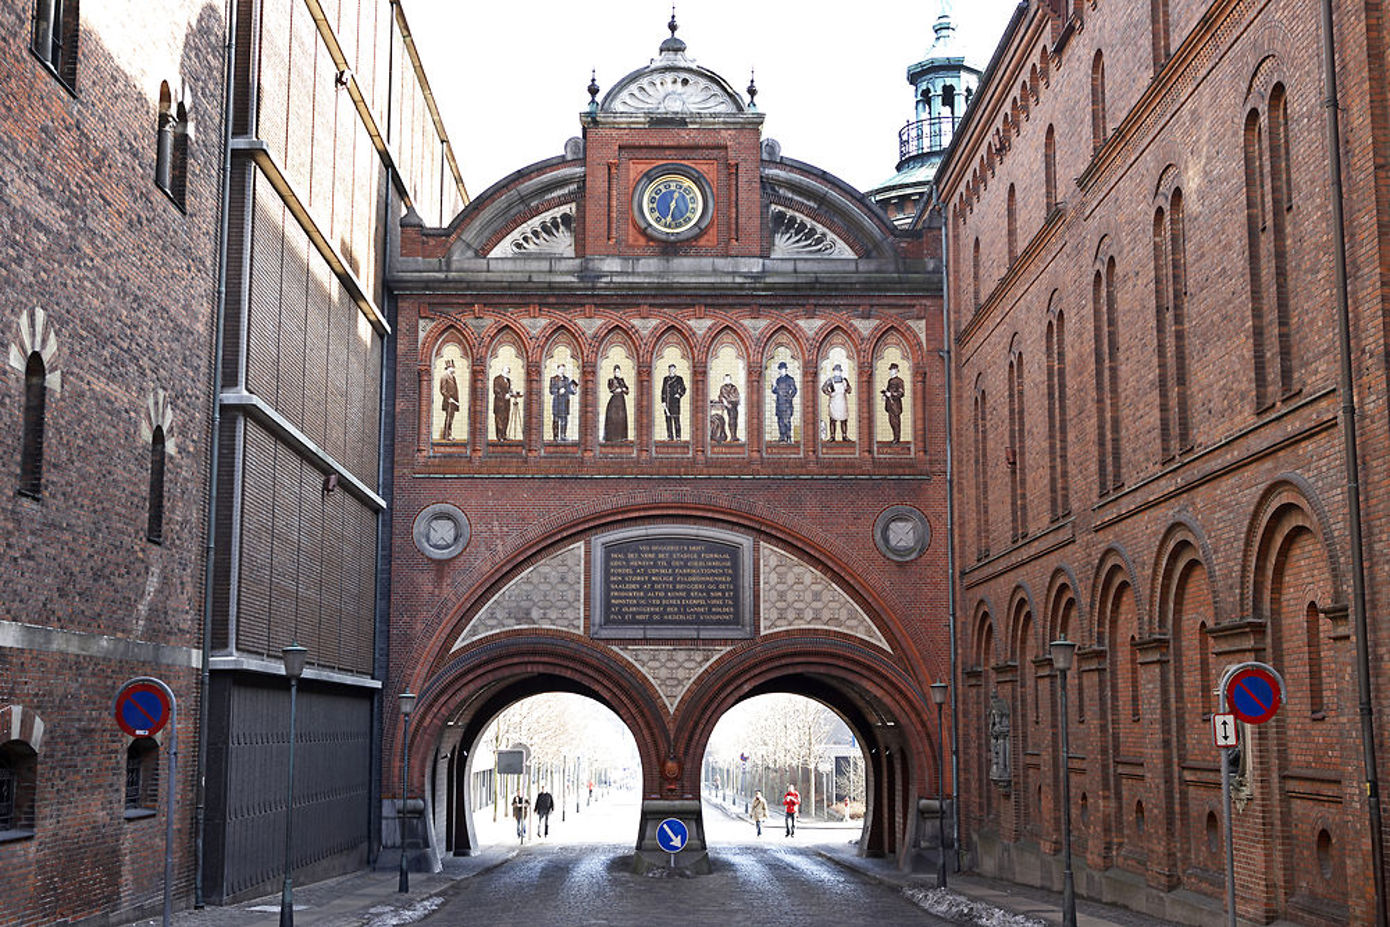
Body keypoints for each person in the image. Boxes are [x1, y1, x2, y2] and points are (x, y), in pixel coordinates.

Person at [820, 363, 852, 442]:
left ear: (841, 372)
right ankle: (832, 436)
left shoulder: (844, 380)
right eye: (836, 371)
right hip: (834, 402)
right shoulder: (830, 380)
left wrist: (847, 389)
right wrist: (829, 393)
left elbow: (849, 389)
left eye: (838, 371)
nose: (837, 372)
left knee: (844, 420)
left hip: (842, 402)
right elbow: (823, 388)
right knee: (833, 419)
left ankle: (844, 435)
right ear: (834, 372)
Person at [548, 363, 578, 441]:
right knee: (556, 419)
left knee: (564, 420)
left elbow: (569, 390)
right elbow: (551, 390)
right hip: (557, 402)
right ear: (558, 370)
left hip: (565, 402)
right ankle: (556, 436)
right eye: (561, 369)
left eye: (563, 369)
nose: (562, 371)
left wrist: (574, 390)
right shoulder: (553, 379)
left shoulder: (567, 379)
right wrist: (558, 391)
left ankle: (563, 435)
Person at [771, 361, 798, 443]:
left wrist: (789, 397)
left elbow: (794, 390)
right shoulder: (778, 380)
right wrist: (774, 386)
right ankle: (782, 437)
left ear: (786, 370)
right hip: (779, 404)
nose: (781, 371)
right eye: (780, 369)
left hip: (787, 405)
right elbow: (775, 391)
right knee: (780, 421)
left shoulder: (790, 379)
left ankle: (788, 437)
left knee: (787, 421)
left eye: (783, 369)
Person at [661, 364, 686, 440]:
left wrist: (679, 395)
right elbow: (663, 390)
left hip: (675, 402)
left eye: (673, 369)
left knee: (676, 419)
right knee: (668, 420)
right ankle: (670, 436)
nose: (671, 370)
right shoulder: (666, 379)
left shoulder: (679, 379)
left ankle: (678, 437)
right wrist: (663, 401)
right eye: (670, 369)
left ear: (675, 370)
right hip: (668, 401)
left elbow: (683, 388)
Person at [881, 362, 905, 444]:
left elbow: (901, 393)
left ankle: (897, 438)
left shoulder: (900, 381)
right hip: (889, 405)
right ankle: (894, 437)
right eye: (890, 370)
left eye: (892, 370)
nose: (890, 371)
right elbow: (888, 390)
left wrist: (891, 394)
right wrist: (885, 395)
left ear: (896, 370)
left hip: (896, 405)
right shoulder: (890, 380)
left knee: (896, 422)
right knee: (891, 422)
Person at [493, 365, 518, 441]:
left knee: (506, 418)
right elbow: (496, 390)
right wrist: (504, 395)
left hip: (507, 403)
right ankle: (499, 436)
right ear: (502, 371)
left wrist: (512, 393)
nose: (507, 373)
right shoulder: (497, 379)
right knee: (499, 419)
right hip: (499, 403)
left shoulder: (508, 380)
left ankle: (504, 435)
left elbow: (509, 390)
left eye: (508, 372)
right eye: (506, 371)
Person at [604, 365, 629, 442]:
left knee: (621, 418)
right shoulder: (611, 380)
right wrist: (622, 389)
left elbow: (627, 390)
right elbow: (612, 389)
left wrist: (622, 389)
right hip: (614, 401)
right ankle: (612, 437)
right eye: (616, 371)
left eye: (618, 371)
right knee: (614, 418)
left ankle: (621, 437)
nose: (617, 373)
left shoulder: (622, 380)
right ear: (614, 372)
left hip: (621, 401)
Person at [439, 358, 460, 440]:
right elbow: (443, 390)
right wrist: (449, 398)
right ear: (449, 368)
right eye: (453, 367)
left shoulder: (453, 377)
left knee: (451, 418)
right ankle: (447, 435)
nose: (454, 369)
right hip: (448, 401)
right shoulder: (444, 377)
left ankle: (449, 434)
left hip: (453, 401)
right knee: (448, 418)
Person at [718, 373, 741, 441]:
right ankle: (732, 436)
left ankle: (734, 435)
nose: (728, 380)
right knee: (731, 420)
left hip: (735, 405)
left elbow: (736, 395)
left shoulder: (734, 387)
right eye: (726, 379)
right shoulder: (723, 388)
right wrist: (727, 403)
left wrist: (736, 400)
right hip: (729, 405)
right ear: (724, 380)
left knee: (735, 420)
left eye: (729, 379)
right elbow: (723, 396)